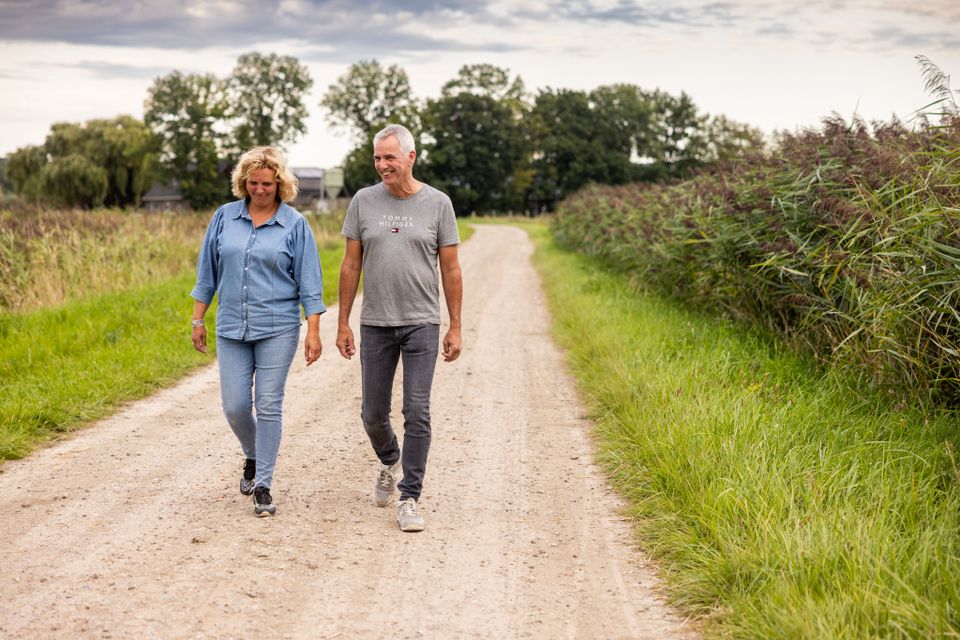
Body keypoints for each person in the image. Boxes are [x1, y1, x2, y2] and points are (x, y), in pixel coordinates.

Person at [336, 123, 463, 532]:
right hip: (375, 322)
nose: (382, 165)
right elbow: (351, 264)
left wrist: (455, 325)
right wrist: (342, 323)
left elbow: (451, 267)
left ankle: (409, 496)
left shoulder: (438, 204)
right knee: (372, 413)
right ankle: (390, 459)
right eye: (377, 157)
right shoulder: (362, 201)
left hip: (422, 323)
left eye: (389, 157)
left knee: (417, 411)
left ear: (410, 157)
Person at [191, 146, 325, 517]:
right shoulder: (224, 218)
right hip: (231, 326)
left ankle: (263, 484)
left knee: (268, 404)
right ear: (243, 182)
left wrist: (313, 331)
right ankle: (252, 453)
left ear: (280, 184)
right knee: (235, 406)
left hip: (278, 328)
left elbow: (310, 284)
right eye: (253, 182)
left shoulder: (295, 224)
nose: (260, 189)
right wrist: (198, 319)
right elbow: (207, 274)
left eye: (267, 183)